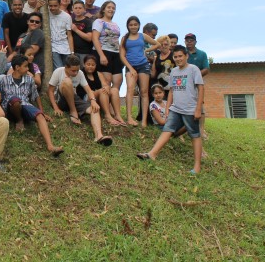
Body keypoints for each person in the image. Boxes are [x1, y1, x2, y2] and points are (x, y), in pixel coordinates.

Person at [137, 45, 204, 175]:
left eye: (180, 56)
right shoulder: (174, 71)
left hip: (190, 109)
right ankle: (152, 154)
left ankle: (197, 166)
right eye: (175, 57)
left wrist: (198, 109)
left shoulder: (193, 69)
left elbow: (201, 89)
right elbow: (172, 90)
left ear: (186, 56)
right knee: (167, 130)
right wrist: (168, 108)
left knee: (195, 136)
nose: (178, 59)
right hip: (175, 108)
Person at [0, 54, 64, 156]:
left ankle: (50, 146)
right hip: (10, 108)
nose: (28, 69)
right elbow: (1, 97)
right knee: (15, 100)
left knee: (39, 116)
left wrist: (41, 112)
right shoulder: (4, 80)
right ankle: (19, 120)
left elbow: (36, 96)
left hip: (25, 105)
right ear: (17, 67)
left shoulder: (29, 80)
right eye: (25, 66)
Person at [47, 54, 113, 146]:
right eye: (73, 70)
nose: (75, 73)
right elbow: (50, 91)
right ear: (66, 67)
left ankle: (99, 136)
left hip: (75, 98)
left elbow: (88, 90)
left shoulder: (80, 73)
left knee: (94, 109)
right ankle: (73, 112)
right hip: (62, 100)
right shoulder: (58, 71)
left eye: (77, 70)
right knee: (67, 81)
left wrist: (93, 101)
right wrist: (56, 108)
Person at [119, 16, 160, 127]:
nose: (133, 27)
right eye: (131, 25)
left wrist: (146, 50)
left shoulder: (142, 36)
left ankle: (144, 121)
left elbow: (157, 44)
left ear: (138, 25)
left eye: (135, 24)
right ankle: (129, 118)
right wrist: (131, 68)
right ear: (128, 26)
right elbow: (122, 56)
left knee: (144, 91)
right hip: (130, 66)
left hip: (143, 65)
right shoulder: (124, 38)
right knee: (130, 89)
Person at [92, 0, 123, 107]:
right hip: (103, 52)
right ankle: (106, 108)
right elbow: (95, 38)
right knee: (107, 82)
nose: (111, 9)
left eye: (113, 8)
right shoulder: (98, 22)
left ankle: (114, 106)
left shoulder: (115, 24)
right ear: (104, 9)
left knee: (118, 81)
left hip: (116, 54)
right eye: (109, 7)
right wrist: (101, 55)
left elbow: (117, 40)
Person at [82, 54, 125, 126]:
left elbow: (105, 84)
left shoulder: (98, 73)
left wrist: (106, 87)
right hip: (87, 97)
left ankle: (117, 115)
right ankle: (107, 115)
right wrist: (101, 90)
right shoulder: (81, 73)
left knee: (114, 90)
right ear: (84, 64)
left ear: (95, 65)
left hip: (98, 96)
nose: (90, 66)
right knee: (102, 91)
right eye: (88, 64)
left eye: (93, 65)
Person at [47, 0, 74, 69]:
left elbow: (69, 35)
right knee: (59, 68)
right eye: (50, 6)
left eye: (55, 6)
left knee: (67, 68)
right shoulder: (46, 14)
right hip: (53, 47)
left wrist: (72, 52)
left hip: (65, 48)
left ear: (59, 5)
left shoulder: (67, 16)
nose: (52, 8)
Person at [71, 0, 93, 65]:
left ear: (84, 9)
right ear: (73, 10)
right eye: (76, 8)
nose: (78, 10)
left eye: (80, 8)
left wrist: (76, 30)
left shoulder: (88, 21)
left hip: (85, 53)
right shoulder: (71, 21)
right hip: (74, 52)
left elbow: (89, 38)